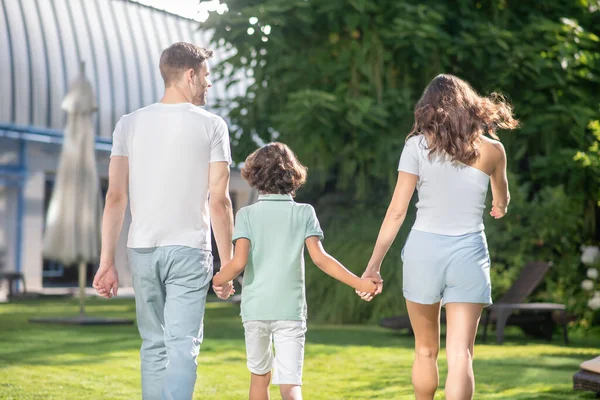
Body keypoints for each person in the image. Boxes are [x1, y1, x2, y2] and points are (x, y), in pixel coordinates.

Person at [358, 74, 518, 400]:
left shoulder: (417, 146)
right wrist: (499, 206)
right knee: (461, 355)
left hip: (423, 252)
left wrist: (373, 266)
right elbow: (501, 199)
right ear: (469, 106)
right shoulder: (492, 150)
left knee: (425, 351)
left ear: (428, 107)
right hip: (469, 253)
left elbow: (397, 211)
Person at [92, 42, 236, 400]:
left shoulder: (128, 124)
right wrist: (229, 264)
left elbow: (115, 197)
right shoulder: (213, 126)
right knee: (182, 345)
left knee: (154, 345)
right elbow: (219, 201)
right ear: (190, 75)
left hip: (141, 249)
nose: (208, 84)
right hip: (189, 250)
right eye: (206, 76)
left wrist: (107, 261)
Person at [213, 142, 379, 400]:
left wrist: (218, 280)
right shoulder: (304, 213)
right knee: (291, 385)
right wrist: (359, 282)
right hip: (290, 311)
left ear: (254, 176)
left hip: (256, 311)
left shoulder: (246, 215)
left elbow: (238, 263)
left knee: (259, 380)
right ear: (292, 174)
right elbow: (322, 260)